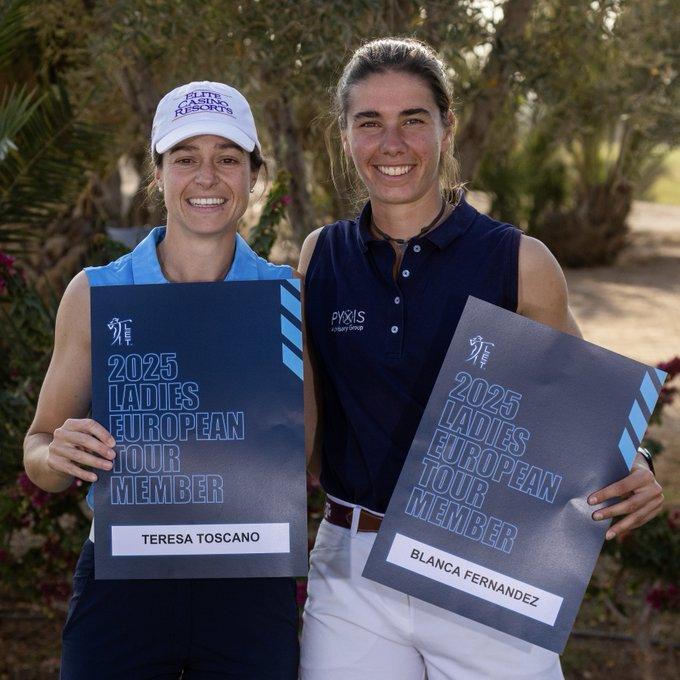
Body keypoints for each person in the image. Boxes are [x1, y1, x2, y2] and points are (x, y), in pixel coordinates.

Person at [298, 38, 664, 680]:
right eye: (369, 122)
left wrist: (635, 462)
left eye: (413, 119)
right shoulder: (319, 259)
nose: (393, 142)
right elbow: (299, 417)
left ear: (447, 125)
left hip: (487, 568)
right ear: (345, 134)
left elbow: (579, 398)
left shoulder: (519, 261)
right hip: (349, 572)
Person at [23, 81, 299, 679]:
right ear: (159, 173)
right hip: (124, 578)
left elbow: (310, 457)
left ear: (254, 175)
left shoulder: (286, 300)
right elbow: (37, 449)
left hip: (249, 585)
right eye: (185, 158)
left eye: (227, 158)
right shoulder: (96, 293)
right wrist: (60, 452)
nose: (207, 176)